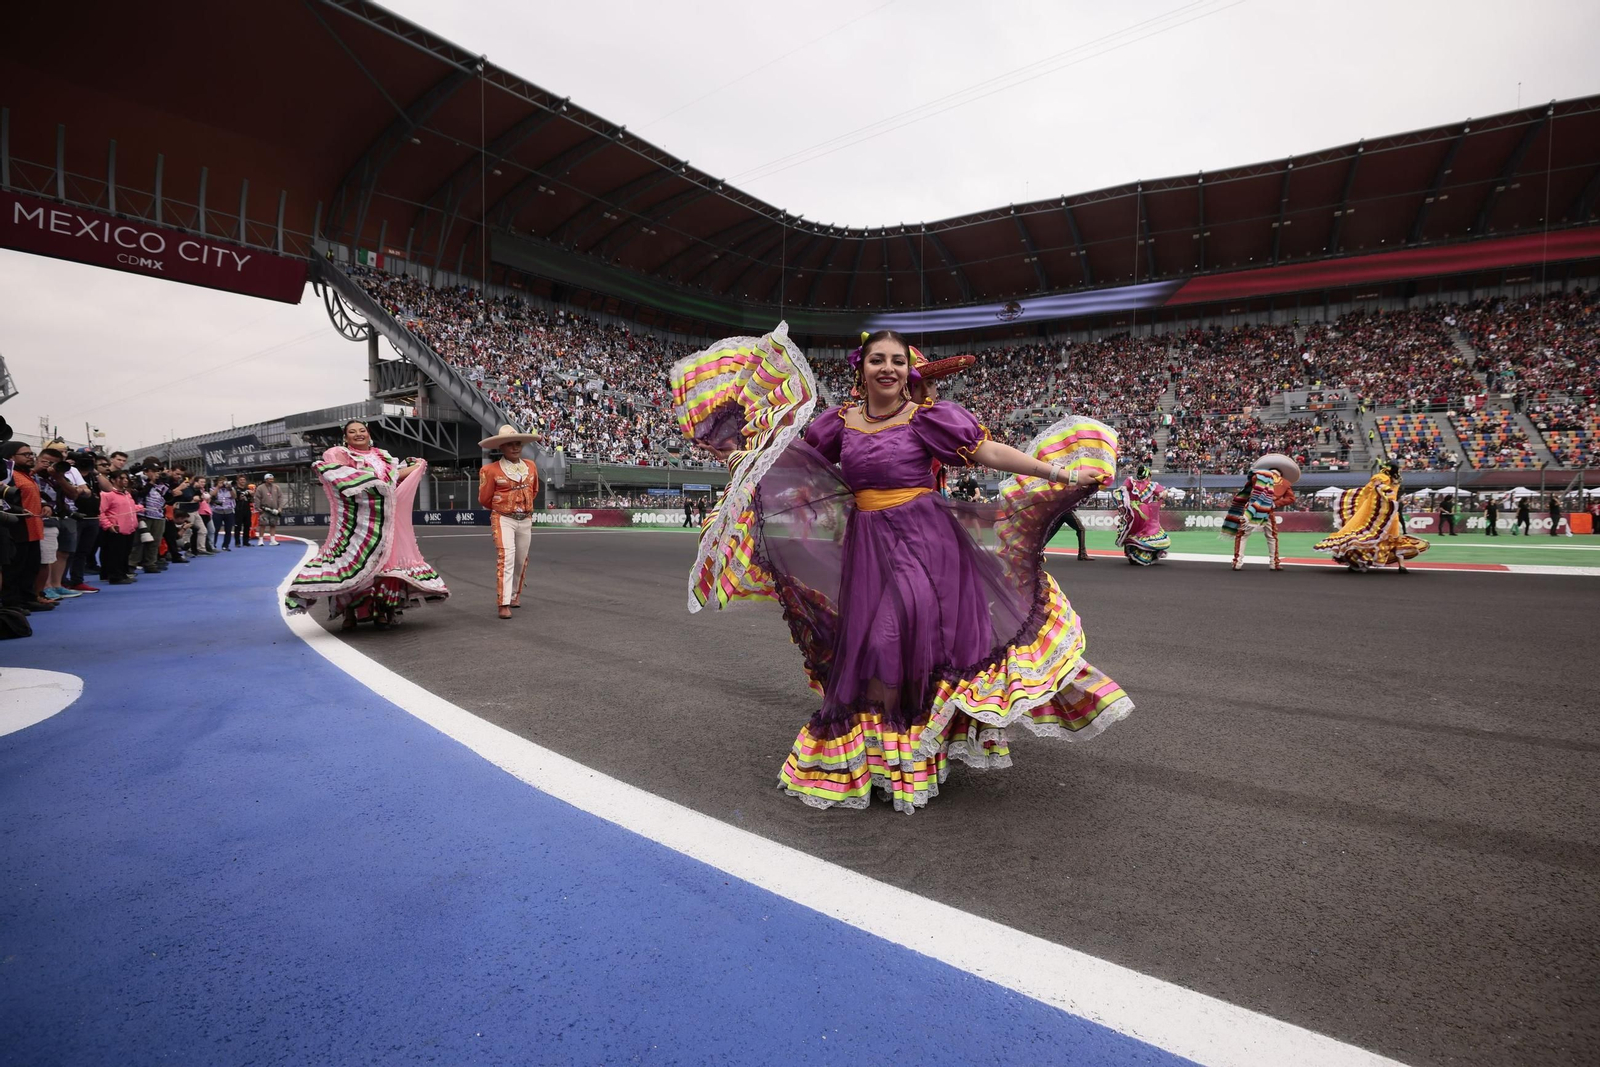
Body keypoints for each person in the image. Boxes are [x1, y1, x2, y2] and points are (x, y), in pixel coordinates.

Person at [673, 325, 1131, 814]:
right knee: (873, 644)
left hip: (928, 543)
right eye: (877, 360)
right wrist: (745, 456)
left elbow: (988, 452)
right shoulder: (836, 424)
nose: (887, 368)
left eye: (896, 360)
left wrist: (1060, 474)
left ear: (907, 370)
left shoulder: (929, 419)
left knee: (901, 635)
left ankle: (910, 754)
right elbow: (797, 462)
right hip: (867, 547)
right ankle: (885, 760)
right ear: (861, 370)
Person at [286, 419, 448, 630]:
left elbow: (392, 478)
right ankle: (349, 613)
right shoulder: (340, 455)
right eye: (352, 432)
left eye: (362, 430)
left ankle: (382, 610)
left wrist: (418, 466)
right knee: (350, 562)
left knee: (384, 565)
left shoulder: (383, 457)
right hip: (355, 521)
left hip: (383, 519)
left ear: (368, 433)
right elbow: (339, 476)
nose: (358, 434)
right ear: (346, 437)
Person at [1313, 460, 1429, 573]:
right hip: (1390, 513)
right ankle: (1402, 566)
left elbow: (1374, 487)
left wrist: (1380, 491)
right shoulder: (1396, 480)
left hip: (1377, 511)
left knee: (1365, 534)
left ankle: (1358, 562)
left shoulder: (1382, 477)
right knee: (1394, 539)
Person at [477, 424, 541, 620]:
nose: (515, 448)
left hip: (525, 519)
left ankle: (514, 595)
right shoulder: (489, 470)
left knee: (521, 559)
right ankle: (503, 603)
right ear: (501, 447)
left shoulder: (531, 466)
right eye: (510, 444)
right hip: (503, 518)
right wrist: (503, 507)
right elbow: (484, 499)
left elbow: (534, 490)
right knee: (506, 557)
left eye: (518, 444)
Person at [1222, 454, 1299, 571]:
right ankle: (1274, 563)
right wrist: (1275, 503)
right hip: (1269, 510)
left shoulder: (1258, 476)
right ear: (1281, 473)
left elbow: (1249, 484)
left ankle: (1237, 562)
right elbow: (1291, 498)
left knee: (1242, 535)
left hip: (1252, 509)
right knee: (1272, 536)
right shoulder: (1285, 483)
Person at [0, 441, 51, 613]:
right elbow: (4, 501)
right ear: (11, 457)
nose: (31, 457)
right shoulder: (8, 475)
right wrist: (19, 510)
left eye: (31, 454)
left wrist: (45, 504)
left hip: (33, 528)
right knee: (14, 569)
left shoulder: (27, 474)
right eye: (26, 454)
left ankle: (27, 598)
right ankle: (12, 603)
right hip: (17, 528)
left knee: (31, 567)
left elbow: (33, 494)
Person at [1114, 463, 1172, 565]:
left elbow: (1120, 492)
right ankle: (1143, 555)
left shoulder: (1130, 481)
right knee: (1148, 532)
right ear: (1148, 475)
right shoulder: (1152, 485)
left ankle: (1132, 553)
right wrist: (1163, 495)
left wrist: (1124, 505)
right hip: (1144, 511)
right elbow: (1162, 494)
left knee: (1131, 532)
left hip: (1131, 511)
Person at [97, 470, 140, 584]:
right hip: (116, 528)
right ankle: (115, 576)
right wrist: (108, 525)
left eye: (126, 478)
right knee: (115, 554)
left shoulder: (126, 493)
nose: (125, 480)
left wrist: (139, 507)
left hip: (129, 528)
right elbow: (101, 512)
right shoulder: (107, 494)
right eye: (121, 478)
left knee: (125, 552)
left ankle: (122, 573)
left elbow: (128, 508)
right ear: (113, 480)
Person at [256, 473, 286, 544]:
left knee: (273, 524)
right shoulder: (260, 488)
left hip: (274, 509)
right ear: (265, 479)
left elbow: (280, 497)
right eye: (269, 479)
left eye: (272, 479)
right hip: (264, 509)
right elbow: (257, 498)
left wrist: (280, 507)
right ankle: (260, 540)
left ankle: (272, 540)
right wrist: (258, 507)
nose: (271, 480)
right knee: (262, 524)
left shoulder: (276, 487)